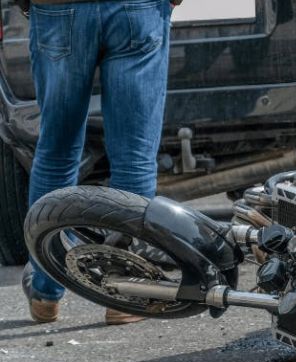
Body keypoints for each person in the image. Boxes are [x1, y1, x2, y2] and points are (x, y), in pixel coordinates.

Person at [21, 0, 181, 325]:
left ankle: (46, 290)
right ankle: (123, 291)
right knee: (133, 157)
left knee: (57, 152)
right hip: (136, 9)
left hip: (58, 9)